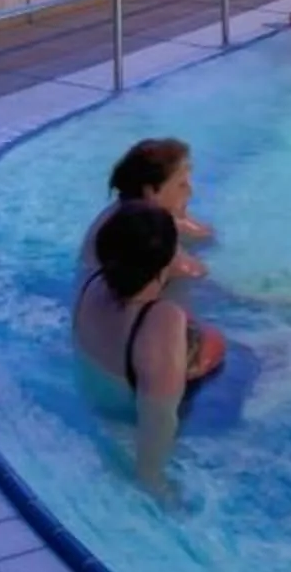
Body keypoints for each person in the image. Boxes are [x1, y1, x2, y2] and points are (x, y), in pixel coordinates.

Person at [71, 204, 222, 498]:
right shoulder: (161, 320)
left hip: (95, 407)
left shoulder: (91, 283)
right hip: (130, 425)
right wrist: (154, 481)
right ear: (167, 261)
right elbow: (159, 418)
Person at [83, 138, 213, 279]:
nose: (190, 192)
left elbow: (205, 233)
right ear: (150, 191)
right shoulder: (142, 233)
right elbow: (198, 273)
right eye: (181, 185)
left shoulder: (130, 209)